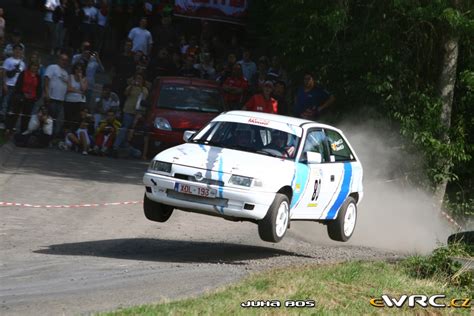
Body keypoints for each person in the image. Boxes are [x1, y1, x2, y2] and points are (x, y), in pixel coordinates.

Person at [112, 73, 148, 155]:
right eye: (137, 78)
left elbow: (144, 96)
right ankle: (116, 146)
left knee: (131, 130)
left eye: (140, 79)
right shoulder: (130, 87)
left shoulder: (144, 89)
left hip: (137, 112)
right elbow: (126, 93)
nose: (138, 80)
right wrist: (132, 85)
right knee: (124, 128)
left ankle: (126, 145)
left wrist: (141, 86)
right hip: (128, 110)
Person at [6, 60, 41, 134]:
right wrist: (23, 93)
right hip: (21, 97)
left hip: (31, 99)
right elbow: (18, 85)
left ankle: (23, 132)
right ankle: (9, 129)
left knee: (26, 117)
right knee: (15, 114)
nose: (34, 67)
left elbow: (39, 88)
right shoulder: (23, 73)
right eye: (33, 65)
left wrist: (36, 97)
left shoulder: (38, 77)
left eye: (36, 66)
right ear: (30, 66)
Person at [72, 41, 104, 109]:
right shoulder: (76, 57)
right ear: (82, 48)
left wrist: (98, 58)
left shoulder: (94, 59)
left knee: (86, 107)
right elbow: (72, 67)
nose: (87, 50)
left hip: (89, 86)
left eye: (88, 48)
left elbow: (102, 70)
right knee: (76, 105)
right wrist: (82, 56)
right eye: (85, 47)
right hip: (77, 85)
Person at [44, 53, 69, 136]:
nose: (64, 62)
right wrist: (47, 93)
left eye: (66, 60)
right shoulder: (52, 67)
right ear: (59, 59)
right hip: (51, 98)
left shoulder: (66, 73)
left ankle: (51, 136)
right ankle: (46, 135)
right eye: (63, 59)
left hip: (60, 100)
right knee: (48, 118)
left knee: (54, 119)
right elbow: (46, 80)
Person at [1, 45, 26, 125]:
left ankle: (6, 122)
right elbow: (4, 73)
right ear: (13, 50)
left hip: (17, 87)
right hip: (8, 85)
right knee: (4, 103)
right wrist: (4, 84)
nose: (18, 51)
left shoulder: (22, 64)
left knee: (11, 105)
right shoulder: (8, 60)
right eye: (16, 49)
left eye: (20, 50)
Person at [64, 62, 87, 130]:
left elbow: (84, 89)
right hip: (69, 101)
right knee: (67, 119)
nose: (78, 71)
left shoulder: (84, 79)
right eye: (77, 69)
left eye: (80, 69)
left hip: (79, 102)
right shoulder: (70, 76)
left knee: (76, 120)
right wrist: (79, 91)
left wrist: (80, 78)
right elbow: (68, 88)